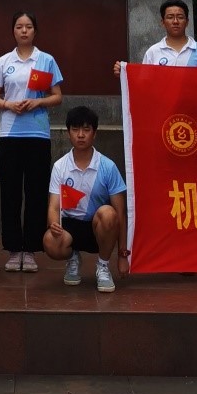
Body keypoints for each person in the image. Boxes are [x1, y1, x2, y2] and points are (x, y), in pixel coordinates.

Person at [0, 9, 63, 272]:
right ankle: (13, 249)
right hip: (10, 134)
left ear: (35, 30)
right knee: (10, 192)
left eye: (28, 26)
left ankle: (30, 249)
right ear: (13, 31)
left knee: (36, 192)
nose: (23, 31)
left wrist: (38, 101)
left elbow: (57, 96)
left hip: (38, 134)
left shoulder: (46, 60)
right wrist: (8, 104)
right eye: (19, 26)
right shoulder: (3, 61)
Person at [43, 105, 128, 293]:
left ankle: (103, 266)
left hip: (97, 228)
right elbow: (53, 207)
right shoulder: (60, 166)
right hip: (70, 227)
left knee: (109, 213)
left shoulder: (108, 166)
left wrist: (123, 255)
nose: (80, 135)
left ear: (94, 133)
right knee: (49, 241)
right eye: (75, 129)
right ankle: (72, 258)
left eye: (86, 130)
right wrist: (53, 224)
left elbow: (121, 213)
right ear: (68, 133)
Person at [113, 0, 197, 76]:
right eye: (170, 17)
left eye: (180, 17)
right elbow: (143, 83)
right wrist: (125, 74)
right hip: (163, 104)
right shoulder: (153, 52)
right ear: (163, 22)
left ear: (187, 22)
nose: (175, 21)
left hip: (193, 103)